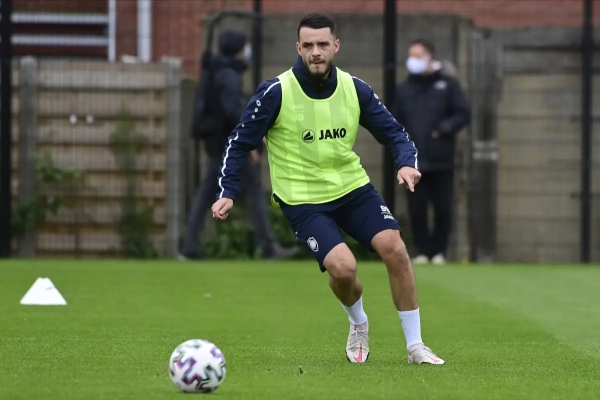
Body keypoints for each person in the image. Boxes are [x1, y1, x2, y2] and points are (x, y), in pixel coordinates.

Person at [211, 13, 444, 365]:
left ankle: (415, 347)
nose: (316, 52)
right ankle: (358, 322)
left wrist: (406, 162)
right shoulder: (276, 91)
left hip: (352, 189)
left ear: (335, 46)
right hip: (303, 200)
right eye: (308, 45)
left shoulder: (355, 88)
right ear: (298, 48)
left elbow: (394, 131)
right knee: (344, 269)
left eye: (322, 44)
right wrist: (228, 190)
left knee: (395, 249)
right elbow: (239, 142)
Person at [181, 29, 298, 261]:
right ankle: (267, 247)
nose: (248, 51)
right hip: (229, 145)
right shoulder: (228, 76)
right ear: (237, 49)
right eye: (245, 46)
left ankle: (190, 246)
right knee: (252, 191)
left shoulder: (217, 70)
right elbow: (233, 111)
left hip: (219, 143)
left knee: (208, 193)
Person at [392, 39, 471, 265]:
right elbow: (393, 120)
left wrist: (443, 130)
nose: (413, 61)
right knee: (416, 209)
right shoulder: (405, 89)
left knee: (443, 208)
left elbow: (463, 113)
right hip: (413, 161)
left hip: (441, 159)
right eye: (411, 56)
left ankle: (439, 252)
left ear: (430, 57)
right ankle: (422, 251)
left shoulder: (447, 86)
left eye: (418, 56)